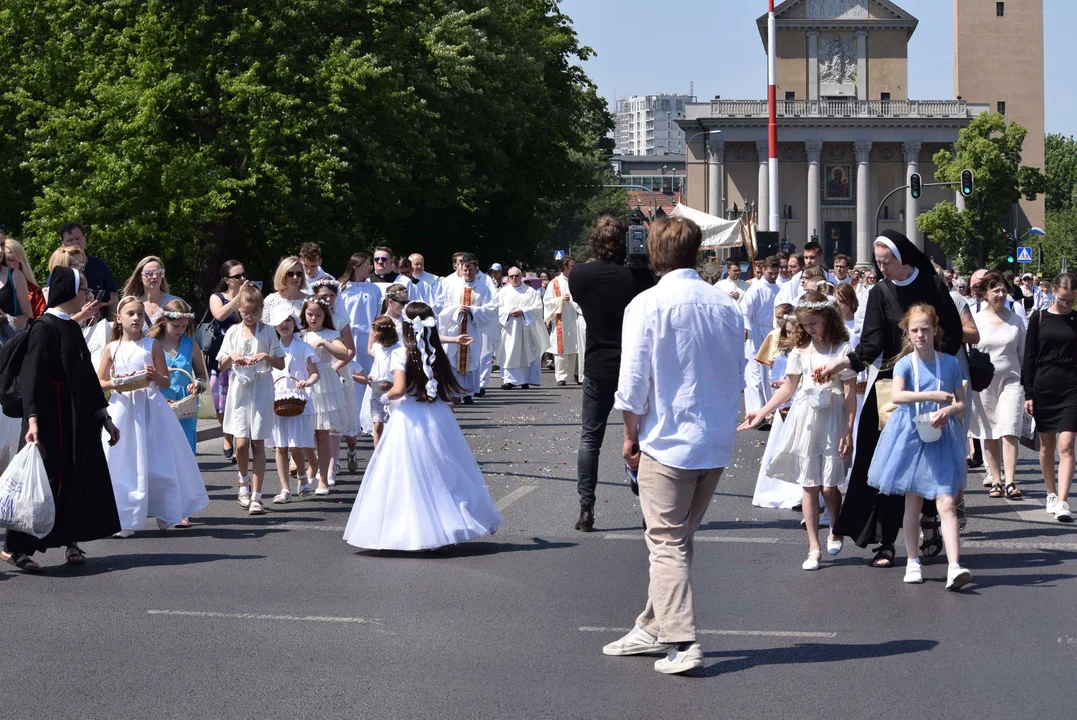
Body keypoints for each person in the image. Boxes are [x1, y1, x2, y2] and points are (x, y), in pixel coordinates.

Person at [602, 216, 743, 675]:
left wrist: (629, 436)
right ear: (697, 252)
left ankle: (682, 641)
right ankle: (651, 625)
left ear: (654, 253)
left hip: (668, 438)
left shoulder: (647, 303)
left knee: (666, 543)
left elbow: (633, 382)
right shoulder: (724, 304)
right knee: (678, 541)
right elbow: (735, 372)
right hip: (715, 439)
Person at [820, 230, 964, 568]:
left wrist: (933, 360)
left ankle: (930, 525)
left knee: (932, 460)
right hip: (892, 382)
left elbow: (954, 332)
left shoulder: (932, 284)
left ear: (902, 259)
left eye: (886, 262)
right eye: (878, 262)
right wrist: (843, 363)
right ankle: (885, 542)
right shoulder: (880, 291)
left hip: (932, 378)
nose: (881, 268)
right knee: (884, 462)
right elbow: (871, 343)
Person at [342, 302, 502, 551]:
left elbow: (398, 389)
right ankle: (449, 524)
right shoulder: (435, 350)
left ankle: (413, 530)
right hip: (436, 414)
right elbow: (443, 386)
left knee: (407, 473)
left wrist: (383, 399)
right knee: (442, 470)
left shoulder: (400, 353)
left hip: (409, 417)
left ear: (405, 327)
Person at [0, 267, 122, 573]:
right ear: (70, 292)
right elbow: (32, 376)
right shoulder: (45, 327)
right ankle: (16, 548)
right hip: (53, 418)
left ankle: (72, 540)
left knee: (79, 476)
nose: (87, 296)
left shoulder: (69, 326)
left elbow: (87, 377)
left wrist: (103, 415)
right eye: (84, 290)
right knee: (49, 480)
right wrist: (33, 420)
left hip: (78, 418)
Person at [740, 292, 857, 571]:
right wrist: (762, 412)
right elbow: (788, 388)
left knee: (830, 486)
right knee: (809, 484)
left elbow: (850, 392)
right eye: (805, 325)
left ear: (828, 319)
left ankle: (836, 527)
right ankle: (813, 547)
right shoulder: (799, 351)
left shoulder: (842, 349)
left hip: (833, 417)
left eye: (814, 323)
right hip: (805, 418)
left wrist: (849, 429)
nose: (809, 329)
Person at [867, 304, 971, 590]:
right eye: (915, 330)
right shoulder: (904, 363)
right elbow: (898, 395)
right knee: (912, 501)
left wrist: (949, 410)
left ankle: (954, 566)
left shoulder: (949, 363)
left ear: (935, 330)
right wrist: (933, 395)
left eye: (926, 329)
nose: (921, 334)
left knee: (946, 502)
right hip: (911, 435)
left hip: (941, 434)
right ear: (908, 334)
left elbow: (961, 401)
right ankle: (913, 561)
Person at [567, 217, 655, 531]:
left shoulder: (580, 274)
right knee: (643, 438)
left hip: (598, 363)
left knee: (590, 439)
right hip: (634, 366)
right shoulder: (641, 276)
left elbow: (580, 299)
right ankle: (648, 507)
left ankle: (586, 508)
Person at [98, 296, 208, 536]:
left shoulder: (152, 345)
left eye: (139, 313)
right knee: (123, 461)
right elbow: (99, 383)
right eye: (130, 314)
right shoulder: (112, 347)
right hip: (123, 408)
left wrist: (153, 376)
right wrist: (117, 383)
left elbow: (165, 380)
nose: (136, 318)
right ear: (119, 319)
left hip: (151, 408)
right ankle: (125, 518)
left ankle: (165, 509)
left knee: (158, 459)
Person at [217, 284, 285, 515]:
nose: (249, 317)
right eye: (245, 313)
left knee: (258, 442)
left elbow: (280, 363)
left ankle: (257, 495)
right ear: (239, 310)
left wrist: (265, 355)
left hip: (261, 388)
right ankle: (242, 482)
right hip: (240, 390)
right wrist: (231, 357)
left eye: (253, 313)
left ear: (260, 310)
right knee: (241, 443)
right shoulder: (234, 332)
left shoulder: (267, 331)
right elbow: (221, 364)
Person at [1021, 273, 1077, 522]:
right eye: (1064, 299)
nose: (1068, 305)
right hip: (1044, 386)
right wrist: (1028, 393)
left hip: (1072, 387)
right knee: (1047, 447)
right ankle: (1051, 493)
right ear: (1054, 291)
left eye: (1072, 300)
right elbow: (1029, 356)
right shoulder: (1039, 317)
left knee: (1066, 445)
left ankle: (1064, 501)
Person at [969, 271, 1026, 501]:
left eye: (1004, 290)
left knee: (1010, 428)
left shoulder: (1016, 320)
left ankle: (1011, 480)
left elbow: (1023, 354)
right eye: (996, 290)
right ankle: (996, 479)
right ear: (985, 293)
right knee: (989, 431)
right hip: (984, 383)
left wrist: (1028, 384)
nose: (1001, 294)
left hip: (1012, 380)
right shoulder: (976, 320)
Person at [265, 304, 319, 503]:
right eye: (280, 322)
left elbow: (315, 373)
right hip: (277, 399)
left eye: (288, 320)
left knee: (297, 446)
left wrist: (307, 382)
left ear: (294, 323)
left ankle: (303, 476)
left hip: (297, 400)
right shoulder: (271, 346)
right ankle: (285, 489)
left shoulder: (303, 347)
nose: (284, 325)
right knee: (280, 446)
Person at [750, 304, 801, 509]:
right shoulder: (784, 352)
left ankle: (799, 494)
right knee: (781, 449)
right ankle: (777, 490)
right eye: (785, 333)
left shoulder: (808, 351)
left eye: (791, 333)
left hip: (801, 405)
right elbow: (780, 377)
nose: (787, 337)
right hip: (785, 405)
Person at [301, 296, 350, 494]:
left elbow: (344, 353)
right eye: (310, 314)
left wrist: (325, 343)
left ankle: (323, 477)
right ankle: (312, 463)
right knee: (304, 432)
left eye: (318, 315)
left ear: (325, 316)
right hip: (303, 381)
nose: (313, 318)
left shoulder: (330, 333)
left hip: (324, 381)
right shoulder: (300, 334)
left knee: (322, 432)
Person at [311, 278, 359, 482]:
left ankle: (332, 466)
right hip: (315, 374)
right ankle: (318, 464)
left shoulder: (340, 319)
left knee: (334, 424)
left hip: (336, 372)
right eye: (323, 296)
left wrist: (335, 368)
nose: (328, 299)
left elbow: (350, 351)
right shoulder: (311, 321)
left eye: (331, 296)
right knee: (317, 422)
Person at [151, 299, 210, 458]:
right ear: (164, 322)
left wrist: (197, 384)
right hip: (161, 400)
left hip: (185, 404)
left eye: (184, 326)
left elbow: (202, 374)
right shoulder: (152, 344)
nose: (180, 330)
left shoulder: (190, 344)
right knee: (162, 447)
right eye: (176, 326)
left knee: (184, 448)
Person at [438, 253, 498, 403]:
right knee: (453, 359)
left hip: (472, 328)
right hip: (455, 327)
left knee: (471, 360)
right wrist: (457, 309)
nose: (467, 273)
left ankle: (469, 393)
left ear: (475, 268)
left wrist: (473, 310)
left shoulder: (483, 287)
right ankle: (454, 391)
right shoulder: (452, 286)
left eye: (470, 269)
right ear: (460, 268)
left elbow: (491, 308)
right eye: (464, 269)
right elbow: (443, 306)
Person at [209, 260, 248, 461]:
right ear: (227, 280)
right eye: (237, 276)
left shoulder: (248, 296)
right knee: (219, 399)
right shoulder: (217, 297)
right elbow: (220, 315)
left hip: (241, 351)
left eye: (243, 275)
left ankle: (238, 438)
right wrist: (237, 299)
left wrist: (246, 298)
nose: (242, 279)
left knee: (237, 398)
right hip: (221, 352)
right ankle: (226, 434)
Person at [740, 255, 781, 417]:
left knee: (771, 372)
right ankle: (756, 410)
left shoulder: (778, 289)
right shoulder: (755, 289)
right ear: (763, 270)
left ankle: (769, 409)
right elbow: (745, 312)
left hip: (771, 333)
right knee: (755, 372)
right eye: (770, 273)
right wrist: (747, 330)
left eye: (776, 273)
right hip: (755, 333)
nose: (773, 276)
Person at [497, 266, 547, 389]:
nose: (514, 278)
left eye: (517, 276)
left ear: (521, 276)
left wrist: (523, 311)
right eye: (511, 276)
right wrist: (508, 312)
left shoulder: (530, 291)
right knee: (509, 352)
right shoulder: (503, 292)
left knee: (526, 351)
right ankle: (509, 380)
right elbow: (496, 308)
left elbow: (537, 307)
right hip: (509, 328)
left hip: (526, 327)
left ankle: (525, 379)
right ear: (508, 278)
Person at [60, 222, 118, 319]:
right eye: (70, 240)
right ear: (63, 244)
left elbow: (114, 295)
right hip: (70, 323)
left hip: (97, 323)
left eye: (78, 238)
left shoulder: (99, 265)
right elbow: (48, 297)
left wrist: (100, 304)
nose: (75, 242)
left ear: (84, 240)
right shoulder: (60, 268)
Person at [339, 253, 381, 376]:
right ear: (356, 267)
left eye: (370, 265)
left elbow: (378, 312)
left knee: (368, 372)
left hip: (369, 335)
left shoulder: (374, 289)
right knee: (350, 371)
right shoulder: (342, 287)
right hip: (347, 335)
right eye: (366, 265)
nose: (370, 268)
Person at [365, 316, 405, 447]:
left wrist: (393, 384)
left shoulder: (398, 349)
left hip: (392, 390)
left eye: (376, 331)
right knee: (377, 423)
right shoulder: (376, 348)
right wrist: (372, 376)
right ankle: (377, 453)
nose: (373, 333)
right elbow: (377, 362)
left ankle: (393, 448)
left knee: (394, 423)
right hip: (377, 390)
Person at [543, 256, 582, 387]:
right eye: (571, 266)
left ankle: (577, 373)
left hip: (576, 317)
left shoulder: (577, 280)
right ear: (564, 267)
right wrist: (560, 299)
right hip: (562, 319)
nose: (574, 268)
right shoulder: (554, 283)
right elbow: (547, 301)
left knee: (577, 348)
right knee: (562, 349)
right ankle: (562, 377)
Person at [774, 241, 838, 308]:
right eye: (806, 257)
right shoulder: (796, 280)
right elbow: (788, 306)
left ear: (821, 257)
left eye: (812, 257)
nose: (808, 261)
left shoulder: (831, 279)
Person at [122, 256, 181, 326]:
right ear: (140, 277)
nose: (155, 276)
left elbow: (186, 333)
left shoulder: (175, 302)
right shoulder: (132, 305)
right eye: (149, 273)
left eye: (159, 273)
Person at [3, 239, 45, 319]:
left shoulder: (34, 292)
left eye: (11, 260)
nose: (6, 264)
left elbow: (40, 323)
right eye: (3, 261)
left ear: (21, 262)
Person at [262, 256, 309, 323]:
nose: (295, 277)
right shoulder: (270, 300)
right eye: (290, 274)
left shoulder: (308, 301)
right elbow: (264, 328)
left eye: (299, 274)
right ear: (282, 275)